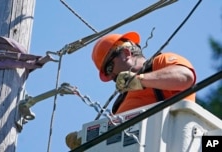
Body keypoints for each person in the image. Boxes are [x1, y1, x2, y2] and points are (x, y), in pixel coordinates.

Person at [65, 31, 196, 149]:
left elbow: (186, 77)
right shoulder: (119, 104)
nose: (111, 77)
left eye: (109, 68)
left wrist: (140, 80)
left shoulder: (160, 63)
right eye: (107, 73)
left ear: (126, 53)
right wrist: (87, 139)